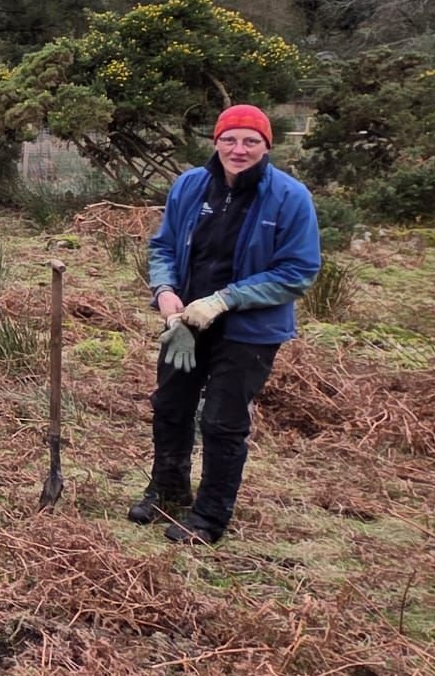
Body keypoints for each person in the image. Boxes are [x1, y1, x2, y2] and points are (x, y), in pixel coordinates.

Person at [133, 105, 320, 546]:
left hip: (249, 331)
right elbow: (163, 245)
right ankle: (168, 490)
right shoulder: (190, 186)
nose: (239, 150)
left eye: (250, 141)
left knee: (221, 421)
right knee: (170, 407)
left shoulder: (290, 197)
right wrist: (165, 293)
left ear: (266, 146)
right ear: (215, 142)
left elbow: (298, 271)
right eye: (230, 139)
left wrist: (225, 299)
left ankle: (209, 517)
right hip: (186, 323)